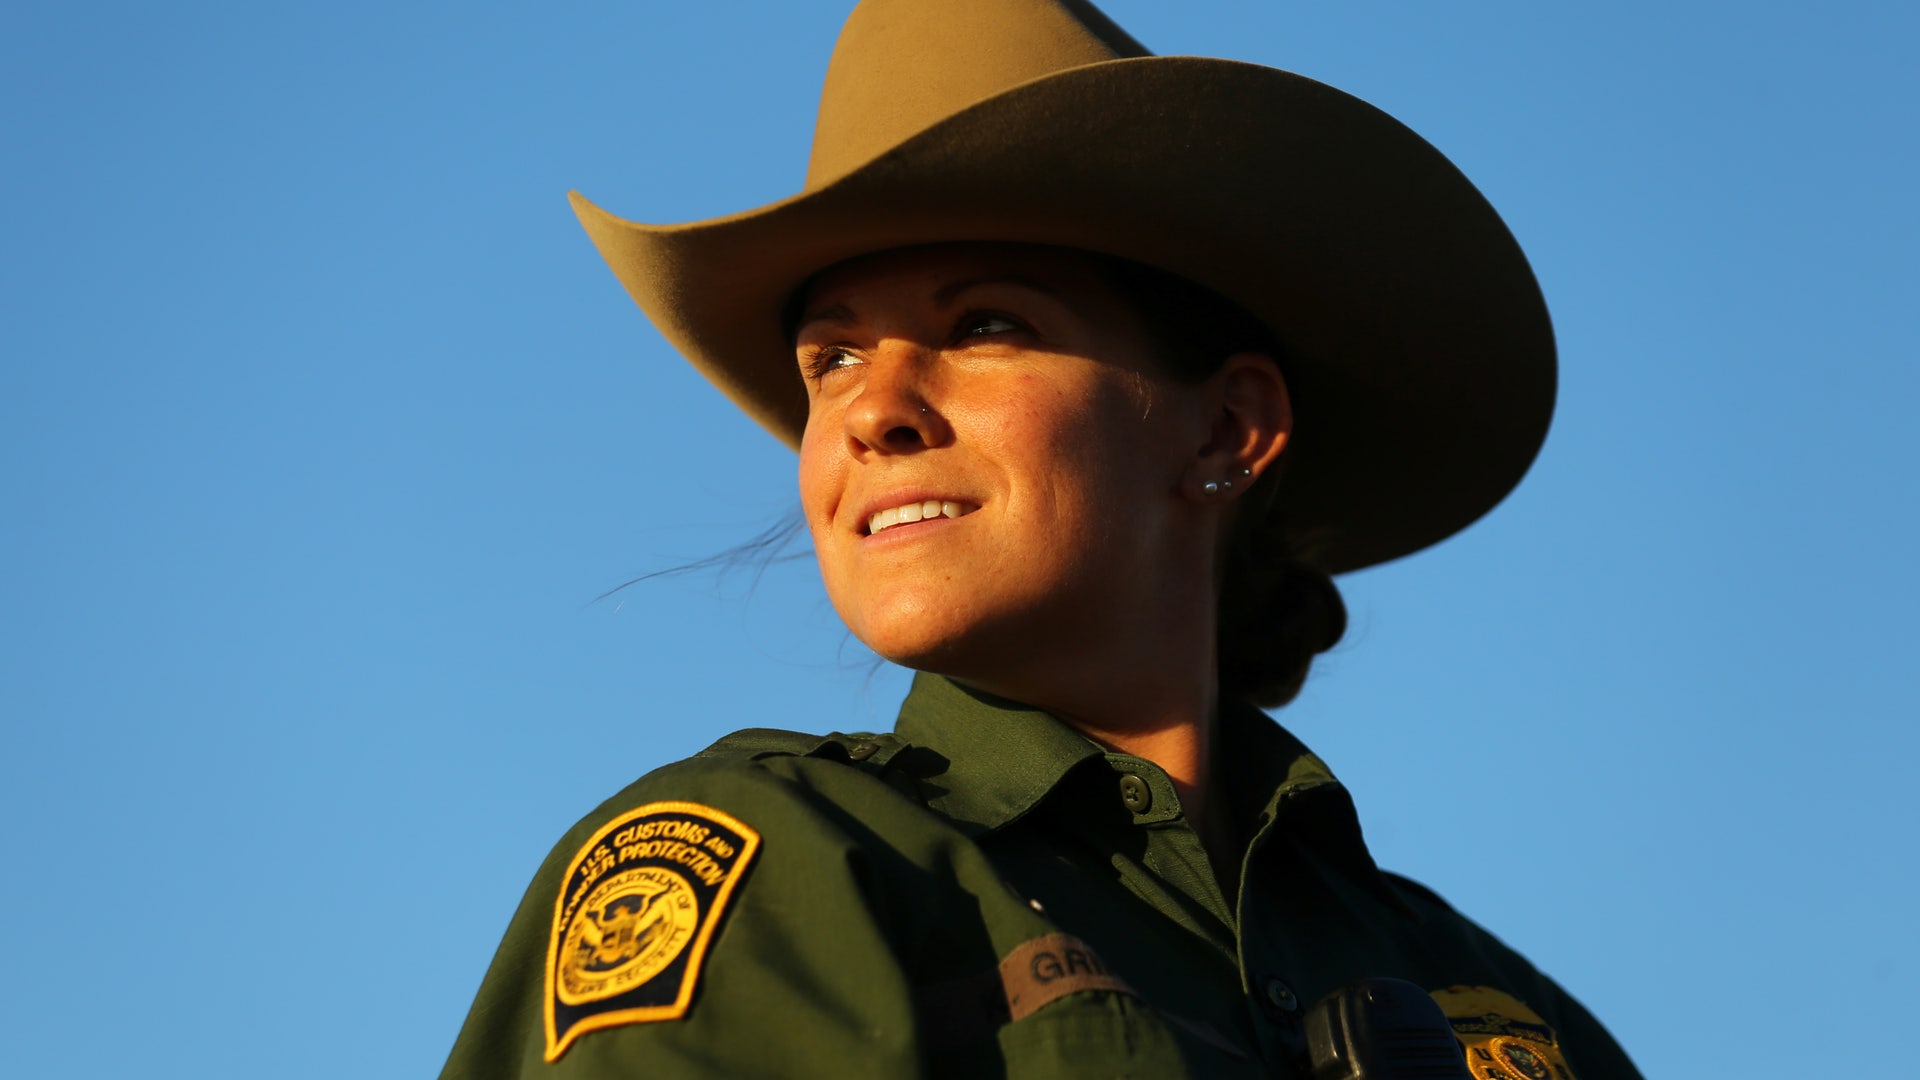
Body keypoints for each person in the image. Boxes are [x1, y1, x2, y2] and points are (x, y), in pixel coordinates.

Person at [440, 1, 1643, 1076]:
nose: (871, 410)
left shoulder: (1511, 1018)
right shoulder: (772, 867)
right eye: (832, 358)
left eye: (983, 323)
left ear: (1228, 426)